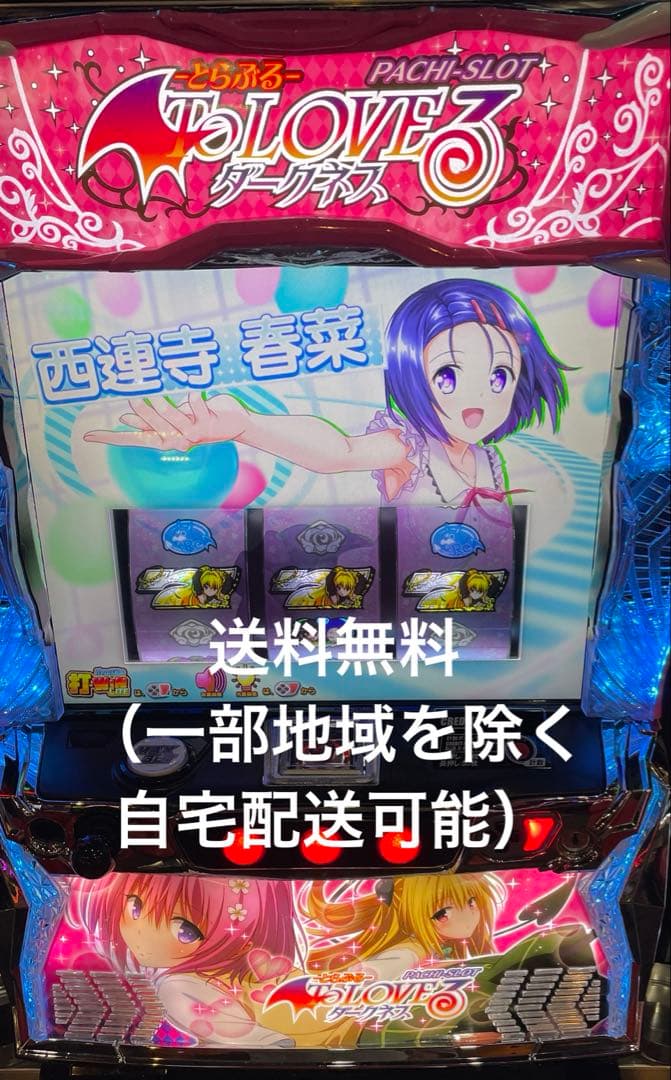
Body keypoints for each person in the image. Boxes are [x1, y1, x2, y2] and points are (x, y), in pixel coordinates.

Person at [84, 280, 569, 518]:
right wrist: (247, 425)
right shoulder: (409, 446)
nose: (478, 397)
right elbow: (339, 451)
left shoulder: (488, 459)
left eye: (500, 375)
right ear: (409, 373)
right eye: (447, 375)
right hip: (409, 605)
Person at [65, 873, 297, 1048]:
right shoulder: (150, 970)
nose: (142, 931)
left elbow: (267, 1042)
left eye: (185, 931)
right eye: (135, 906)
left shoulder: (178, 987)